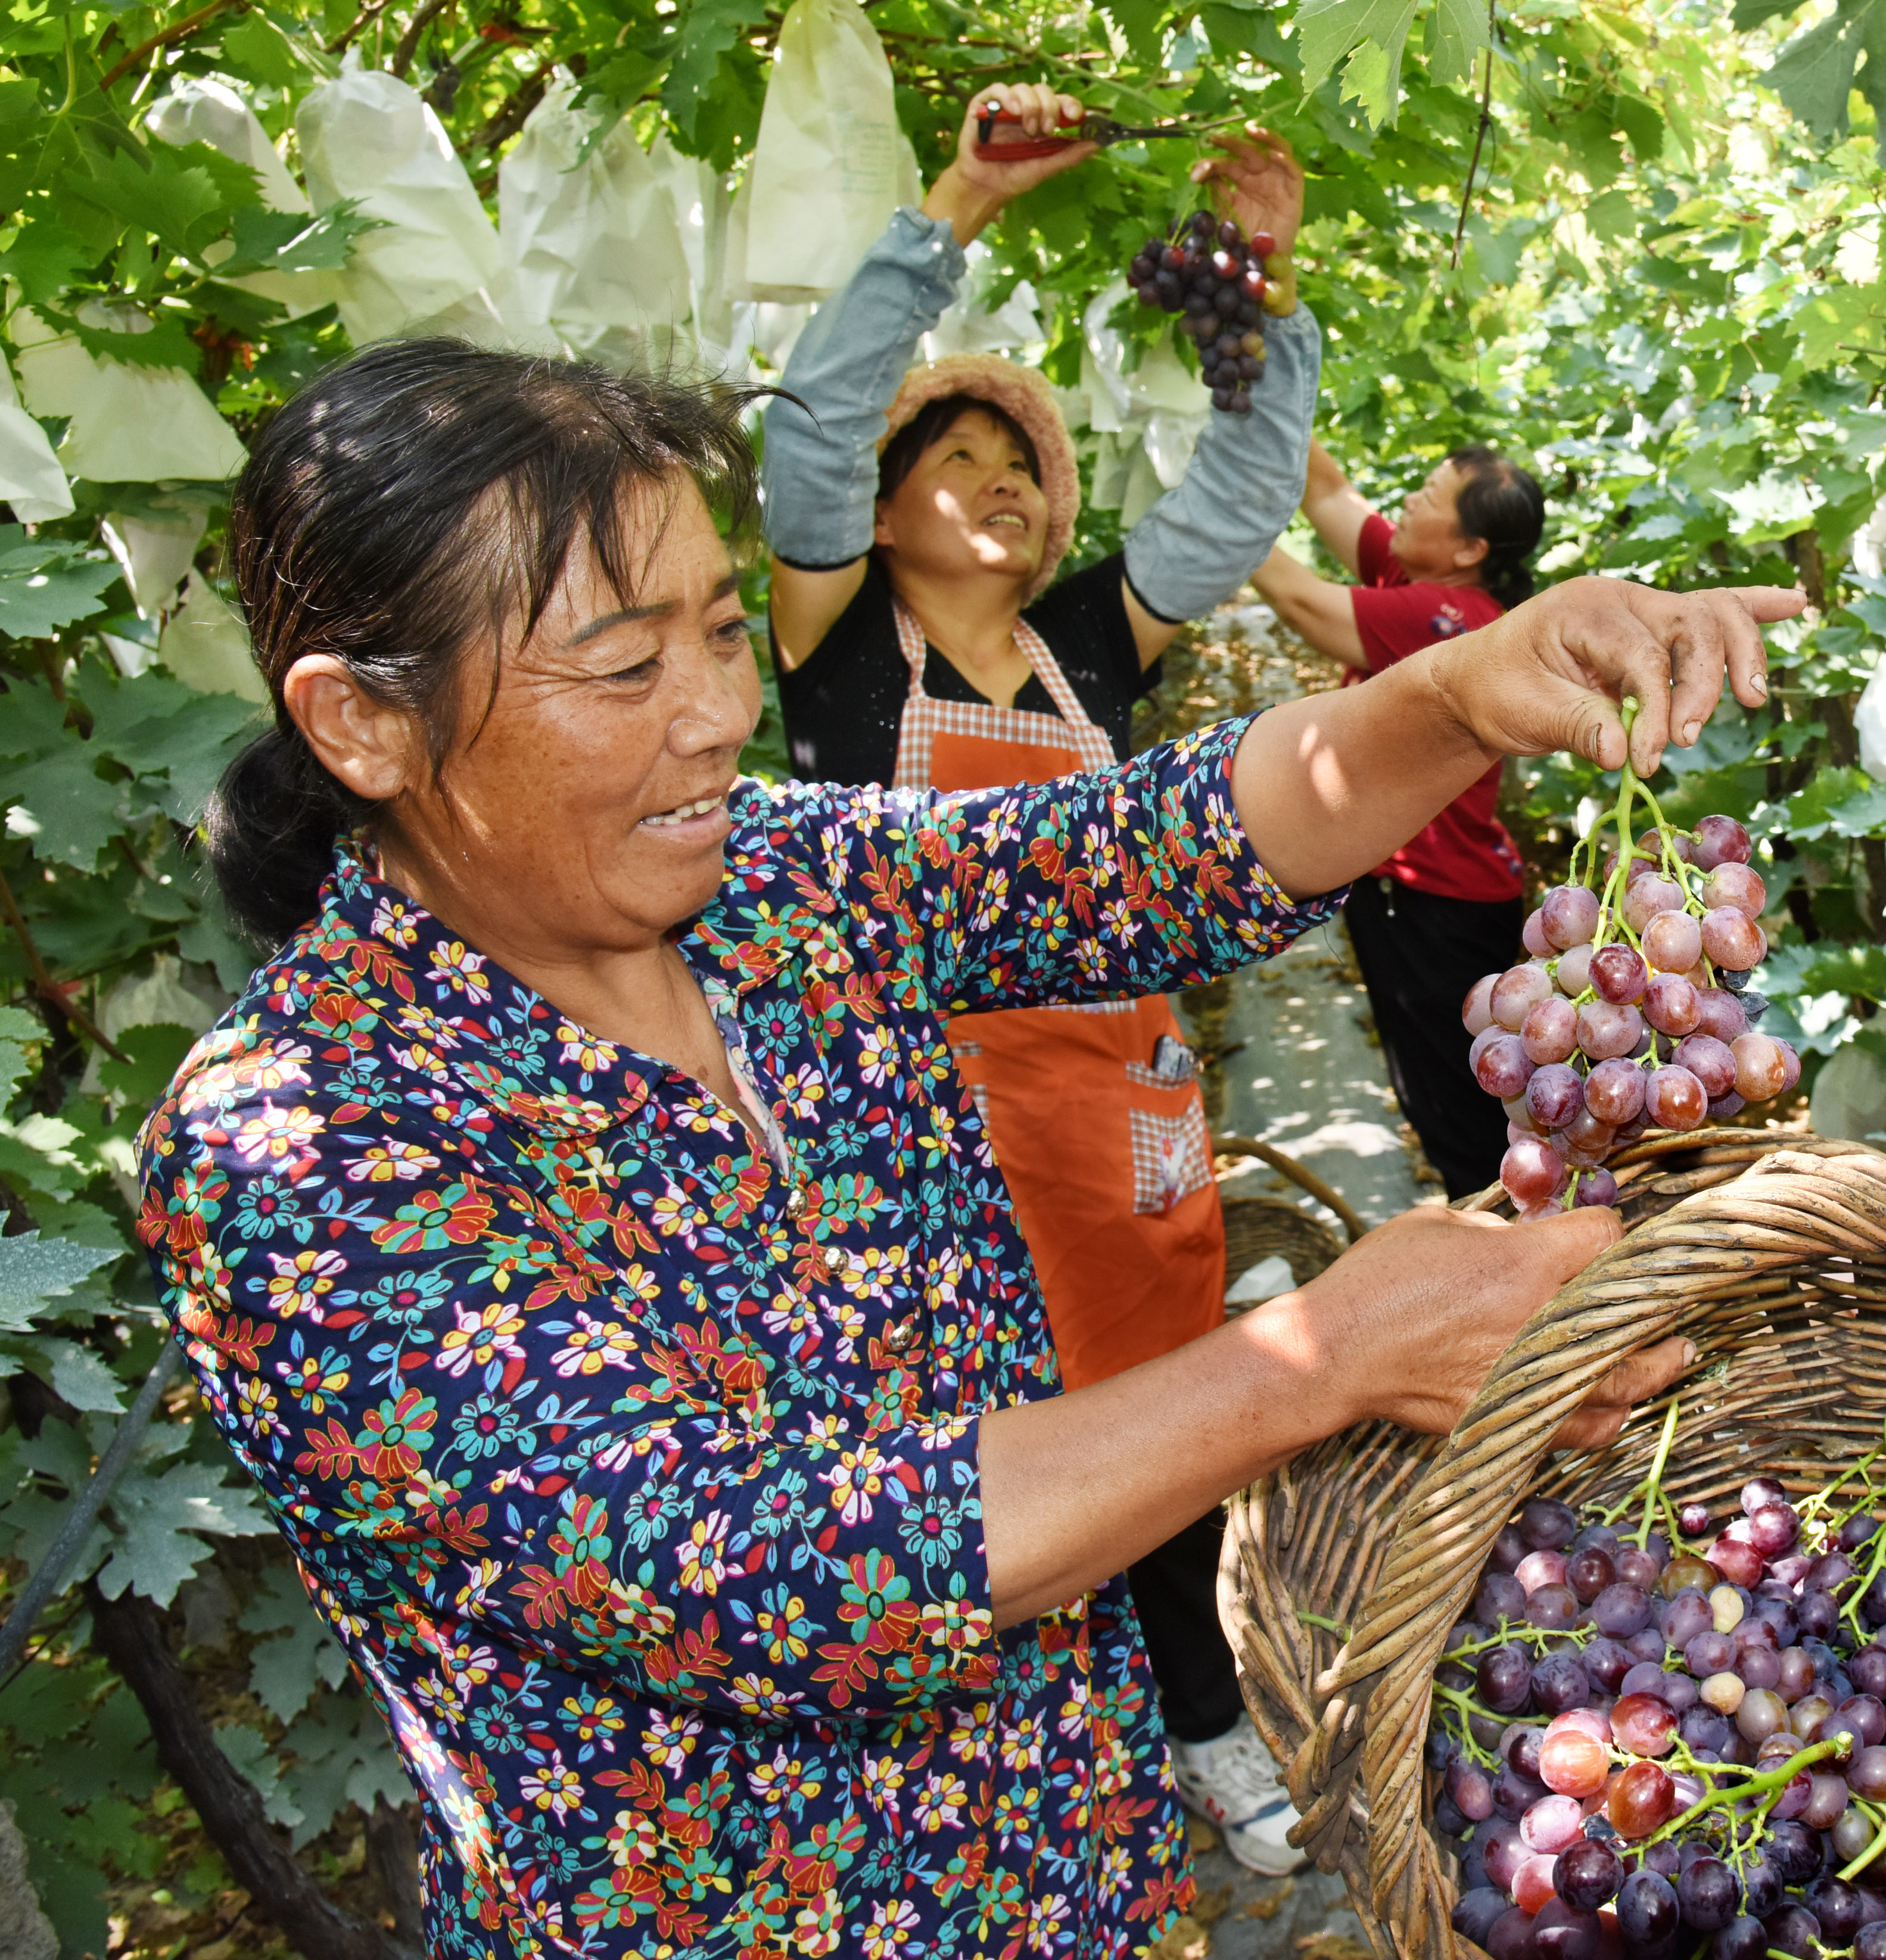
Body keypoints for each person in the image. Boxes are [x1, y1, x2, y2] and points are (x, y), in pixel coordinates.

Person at [141, 336, 1785, 1955]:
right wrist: (1323, 1353)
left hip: (1078, 1852)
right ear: (362, 726)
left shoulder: (777, 889)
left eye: (724, 634)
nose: (718, 715)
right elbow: (739, 1563)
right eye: (627, 669)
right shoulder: (299, 1138)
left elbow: (1140, 846)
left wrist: (1450, 690)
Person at [758, 83, 1321, 1869]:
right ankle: (1020, 1774)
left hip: (1125, 1124)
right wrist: (956, 207)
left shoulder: (1095, 641)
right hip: (927, 1131)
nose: (997, 485)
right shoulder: (837, 638)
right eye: (955, 463)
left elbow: (1242, 485)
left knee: (1158, 1422)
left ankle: (1207, 1723)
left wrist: (1265, 289)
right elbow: (817, 425)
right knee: (968, 1446)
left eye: (1024, 469)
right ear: (884, 506)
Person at [1251, 441, 1548, 1195]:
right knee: (1459, 1098)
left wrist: (1214, 506)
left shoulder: (1449, 617)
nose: (1411, 500)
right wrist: (1266, 379)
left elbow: (1300, 600)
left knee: (1459, 1117)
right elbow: (1327, 490)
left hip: (1435, 909)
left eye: (1429, 495)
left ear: (1470, 549)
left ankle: (1503, 1271)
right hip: (1433, 897)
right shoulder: (1419, 574)